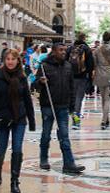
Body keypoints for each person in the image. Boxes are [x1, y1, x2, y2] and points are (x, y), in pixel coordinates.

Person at [0, 49, 36, 193]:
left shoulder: (21, 77)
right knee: (1, 147)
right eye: (7, 59)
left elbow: (27, 99)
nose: (10, 61)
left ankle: (15, 181)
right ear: (4, 60)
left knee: (17, 148)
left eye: (13, 59)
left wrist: (31, 120)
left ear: (17, 61)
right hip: (2, 118)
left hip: (19, 118)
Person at [33, 43, 85, 174]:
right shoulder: (44, 66)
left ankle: (69, 163)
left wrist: (72, 106)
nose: (63, 52)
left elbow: (72, 87)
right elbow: (34, 86)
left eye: (64, 50)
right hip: (48, 105)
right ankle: (43, 158)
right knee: (46, 134)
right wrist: (40, 81)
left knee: (64, 136)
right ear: (54, 52)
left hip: (63, 106)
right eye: (60, 50)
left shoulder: (68, 66)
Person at [68, 32, 95, 129]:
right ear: (84, 38)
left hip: (71, 77)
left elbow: (66, 62)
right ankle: (76, 122)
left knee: (72, 98)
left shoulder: (71, 48)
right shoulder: (86, 49)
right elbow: (91, 64)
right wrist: (89, 74)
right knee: (79, 99)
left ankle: (72, 118)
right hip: (82, 77)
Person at [94, 31, 110, 130]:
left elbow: (95, 63)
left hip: (100, 75)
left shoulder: (97, 50)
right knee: (107, 99)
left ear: (103, 38)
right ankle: (104, 120)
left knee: (103, 98)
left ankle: (105, 119)